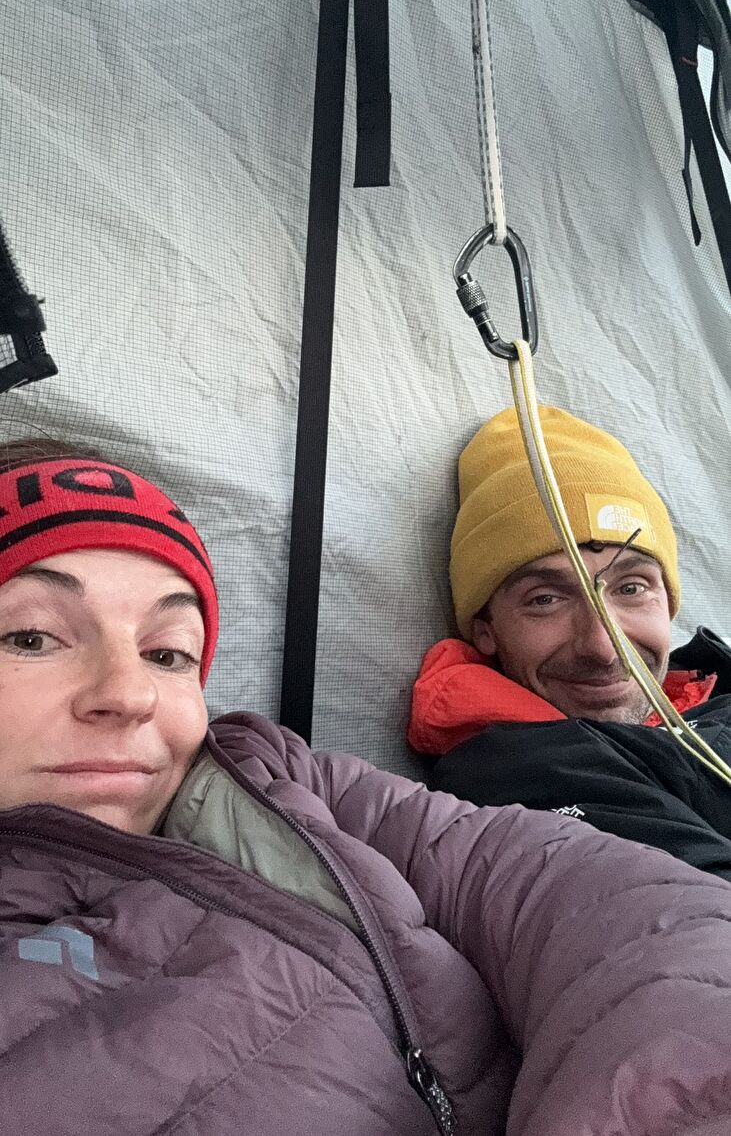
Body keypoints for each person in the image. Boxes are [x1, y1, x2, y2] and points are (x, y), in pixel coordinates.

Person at [1, 439, 731, 1136]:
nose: (130, 695)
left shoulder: (271, 778)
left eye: (167, 652)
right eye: (30, 637)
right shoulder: (530, 758)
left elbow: (593, 898)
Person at [409, 405, 731, 878]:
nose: (603, 648)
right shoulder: (523, 775)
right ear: (485, 628)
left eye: (631, 588)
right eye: (545, 599)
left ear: (668, 602)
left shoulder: (708, 694)